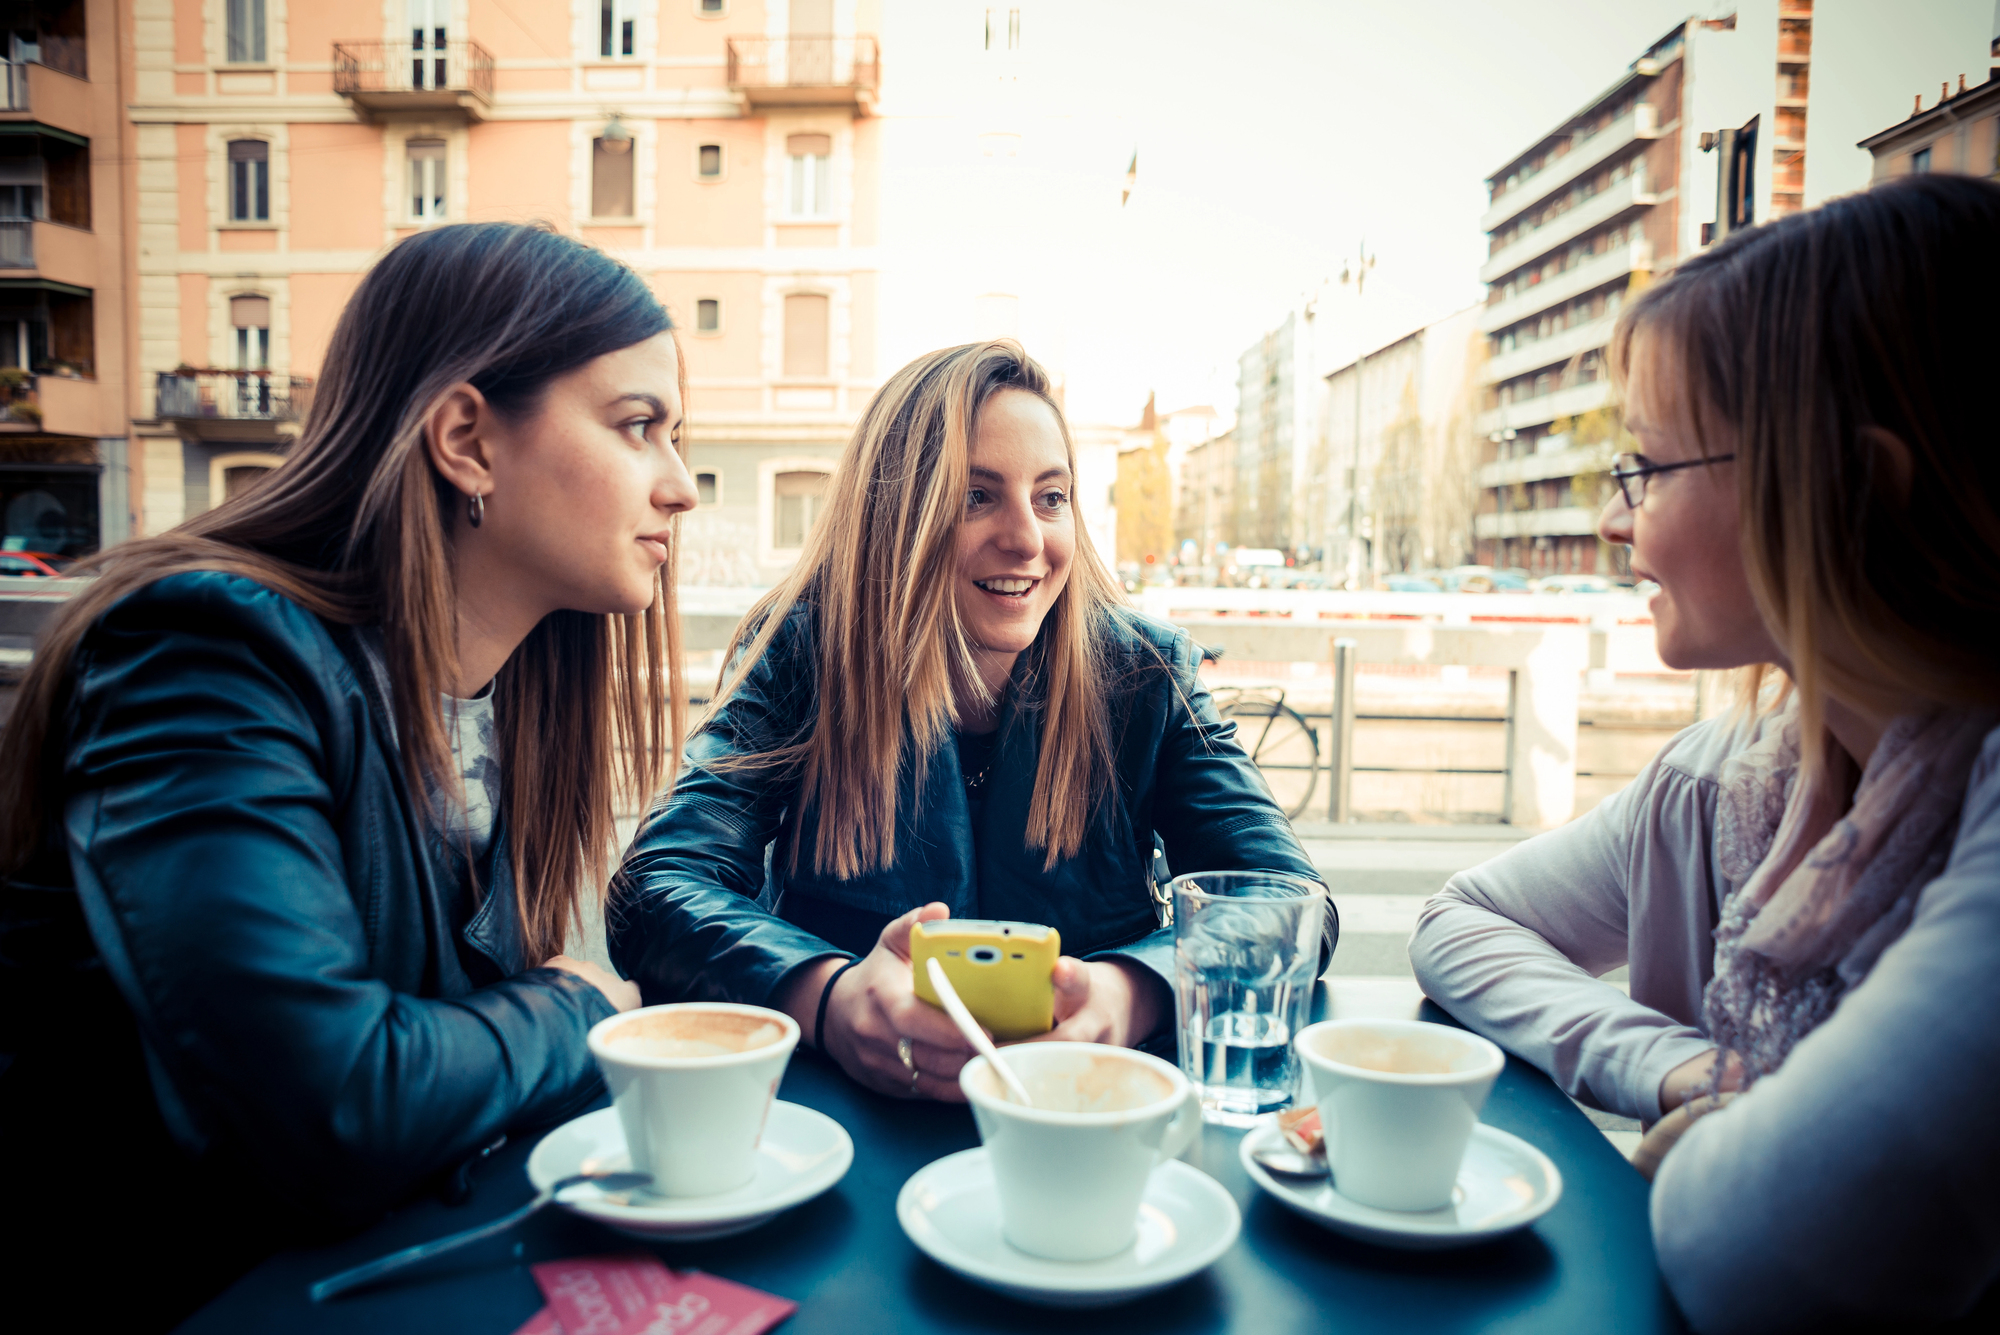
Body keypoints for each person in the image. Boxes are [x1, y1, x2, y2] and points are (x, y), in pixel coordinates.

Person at [0, 223, 697, 1328]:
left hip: (372, 1279)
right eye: (636, 428)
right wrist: (573, 1012)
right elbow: (333, 1105)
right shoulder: (204, 653)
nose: (680, 487)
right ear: (466, 438)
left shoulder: (508, 693)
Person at [1409, 174, 2000, 1333]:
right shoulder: (1726, 783)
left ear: (1846, 491)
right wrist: (1682, 1071)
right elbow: (1457, 923)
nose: (1610, 520)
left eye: (1647, 467)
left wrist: (1733, 1141)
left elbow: (1767, 1248)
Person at [611, 340, 1332, 1100]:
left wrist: (1131, 992)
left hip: (1087, 1115)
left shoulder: (1146, 675)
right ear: (896, 515)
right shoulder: (804, 652)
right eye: (975, 496)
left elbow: (1287, 897)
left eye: (1051, 497)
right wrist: (830, 998)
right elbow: (659, 885)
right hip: (849, 1122)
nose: (1028, 539)